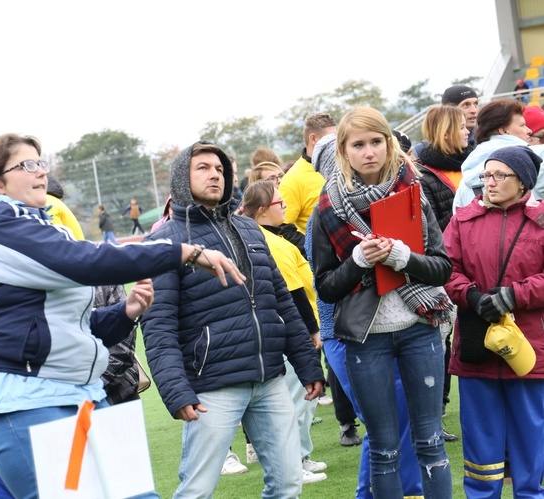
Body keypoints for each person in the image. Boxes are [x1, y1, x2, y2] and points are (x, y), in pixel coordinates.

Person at [0, 133, 244, 499]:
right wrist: (180, 251)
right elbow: (85, 261)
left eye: (41, 162)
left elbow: (69, 328)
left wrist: (125, 312)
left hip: (85, 396)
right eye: (27, 165)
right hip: (26, 404)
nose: (40, 171)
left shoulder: (36, 225)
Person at [140, 140, 325, 498]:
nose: (215, 175)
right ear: (182, 178)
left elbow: (280, 302)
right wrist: (177, 391)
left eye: (220, 169)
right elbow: (158, 327)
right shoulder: (164, 243)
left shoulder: (250, 229)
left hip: (269, 378)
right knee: (197, 490)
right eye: (203, 168)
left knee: (288, 484)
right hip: (213, 385)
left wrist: (307, 363)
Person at [312, 107, 453, 498]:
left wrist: (403, 259)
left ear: (389, 144)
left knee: (429, 442)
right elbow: (325, 287)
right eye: (359, 144)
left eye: (377, 141)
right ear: (344, 150)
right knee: (384, 446)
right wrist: (359, 261)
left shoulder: (414, 189)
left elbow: (443, 268)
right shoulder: (327, 205)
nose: (369, 151)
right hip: (366, 337)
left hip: (419, 327)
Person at [443, 145, 544, 497]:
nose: (490, 182)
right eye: (487, 174)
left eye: (500, 175)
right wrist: (472, 296)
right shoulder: (462, 220)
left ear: (523, 182)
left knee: (531, 437)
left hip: (530, 347)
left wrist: (514, 295)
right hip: (476, 345)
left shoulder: (542, 220)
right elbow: (447, 270)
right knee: (480, 442)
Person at [241, 180, 327, 484]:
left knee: (301, 402)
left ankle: (301, 456)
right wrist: (311, 330)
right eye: (280, 203)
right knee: (294, 402)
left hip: (285, 330)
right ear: (263, 210)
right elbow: (292, 294)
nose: (286, 206)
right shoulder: (269, 242)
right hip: (288, 333)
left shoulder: (271, 237)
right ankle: (293, 466)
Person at [416, 105, 471, 440]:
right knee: (439, 342)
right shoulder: (425, 174)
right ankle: (433, 415)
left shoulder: (469, 166)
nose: (467, 131)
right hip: (443, 270)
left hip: (468, 266)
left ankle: (440, 411)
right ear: (446, 131)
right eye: (462, 126)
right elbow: (433, 228)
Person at [453, 99, 533, 212]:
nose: (529, 131)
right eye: (522, 125)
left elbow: (457, 220)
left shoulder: (467, 175)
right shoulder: (532, 162)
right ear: (504, 131)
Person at [279, 113, 337, 234]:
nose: (335, 143)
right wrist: (313, 248)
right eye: (330, 138)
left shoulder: (344, 166)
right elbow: (283, 227)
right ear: (313, 139)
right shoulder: (293, 179)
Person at [413, 85, 481, 159]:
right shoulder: (419, 152)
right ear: (448, 111)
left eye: (476, 104)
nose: (474, 110)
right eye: (466, 105)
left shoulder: (485, 142)